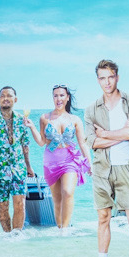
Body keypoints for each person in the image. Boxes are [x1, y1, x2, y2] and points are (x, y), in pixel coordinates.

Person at [87, 60, 129, 257]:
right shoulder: (91, 109)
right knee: (103, 217)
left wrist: (105, 134)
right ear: (98, 80)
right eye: (102, 78)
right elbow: (92, 142)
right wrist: (121, 134)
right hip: (101, 169)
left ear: (117, 77)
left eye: (110, 77)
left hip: (126, 167)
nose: (107, 82)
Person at [0, 85, 38, 234]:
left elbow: (25, 145)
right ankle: (7, 236)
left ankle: (16, 237)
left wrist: (28, 166)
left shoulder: (21, 120)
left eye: (9, 96)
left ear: (15, 99)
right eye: (2, 96)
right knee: (3, 207)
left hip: (18, 169)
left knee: (20, 204)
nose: (5, 98)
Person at [39, 86, 91, 231]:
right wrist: (31, 127)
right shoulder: (44, 118)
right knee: (57, 200)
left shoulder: (75, 119)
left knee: (67, 192)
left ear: (67, 97)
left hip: (70, 160)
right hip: (50, 162)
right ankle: (60, 228)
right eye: (55, 96)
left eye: (61, 95)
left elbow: (82, 143)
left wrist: (89, 163)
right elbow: (42, 141)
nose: (58, 99)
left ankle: (65, 229)